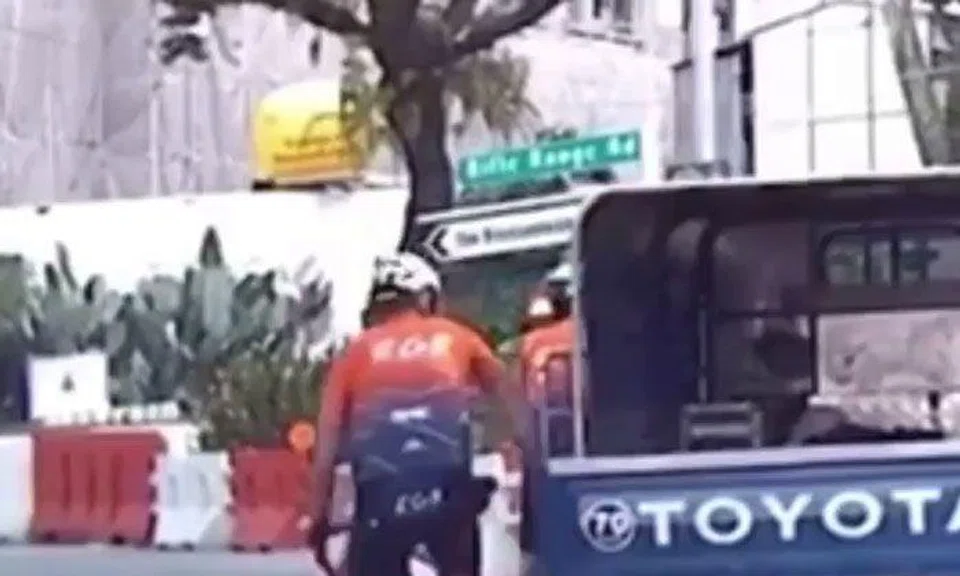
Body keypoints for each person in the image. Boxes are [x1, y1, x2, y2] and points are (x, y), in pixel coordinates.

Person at [309, 252, 529, 576]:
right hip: (449, 491)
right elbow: (512, 401)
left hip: (381, 496)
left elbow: (326, 445)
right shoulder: (458, 336)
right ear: (426, 297)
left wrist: (318, 518)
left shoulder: (355, 353)